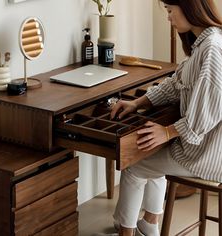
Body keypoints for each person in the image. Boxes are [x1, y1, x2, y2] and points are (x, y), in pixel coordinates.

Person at [93, 0, 222, 236]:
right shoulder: (208, 41)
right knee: (152, 152)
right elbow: (175, 84)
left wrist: (167, 132)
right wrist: (138, 102)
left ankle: (126, 230)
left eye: (170, 11)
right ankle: (150, 224)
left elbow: (208, 111)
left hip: (209, 153)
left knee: (134, 166)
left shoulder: (212, 48)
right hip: (209, 146)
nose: (169, 18)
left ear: (190, 9)